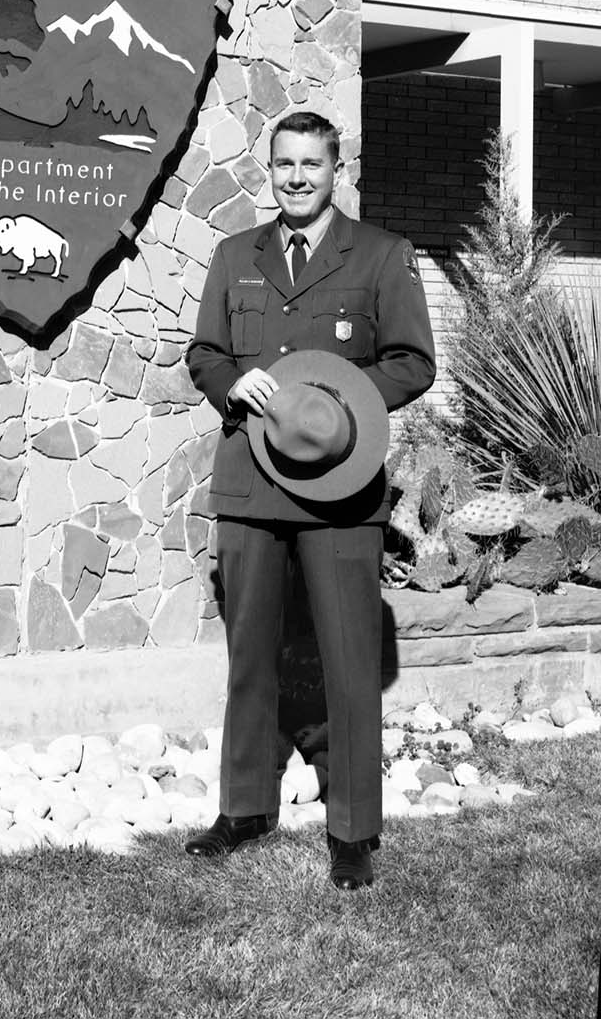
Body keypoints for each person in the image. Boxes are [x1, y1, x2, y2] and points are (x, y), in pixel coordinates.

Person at [185, 110, 436, 890]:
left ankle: (353, 828)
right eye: (284, 164)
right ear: (271, 170)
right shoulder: (236, 255)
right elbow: (205, 352)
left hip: (338, 487)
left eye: (311, 164)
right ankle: (244, 808)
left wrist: (335, 395)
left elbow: (413, 361)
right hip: (251, 482)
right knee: (249, 655)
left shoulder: (383, 254)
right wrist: (233, 383)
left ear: (337, 170)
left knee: (350, 662)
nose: (296, 177)